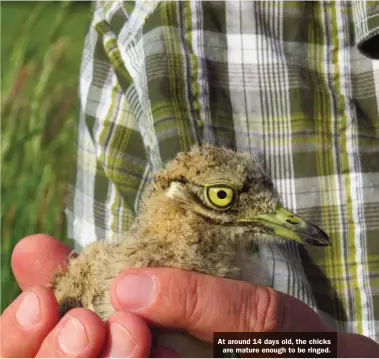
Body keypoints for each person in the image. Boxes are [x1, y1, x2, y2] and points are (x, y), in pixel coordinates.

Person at [1, 0, 379, 357]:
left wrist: (312, 349)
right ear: (178, 203)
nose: (283, 217)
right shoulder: (137, 21)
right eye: (221, 197)